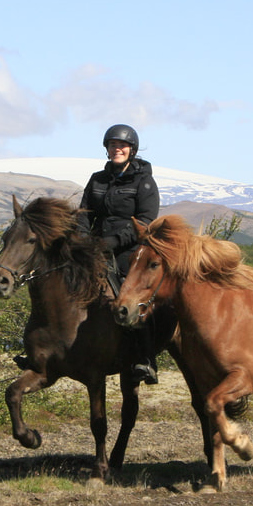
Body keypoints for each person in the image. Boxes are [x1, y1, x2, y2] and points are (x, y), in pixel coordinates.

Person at [81, 124, 161, 384]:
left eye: (122, 145)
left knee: (134, 297)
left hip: (130, 252)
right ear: (107, 149)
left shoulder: (144, 182)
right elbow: (84, 214)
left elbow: (146, 221)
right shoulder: (97, 179)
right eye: (113, 145)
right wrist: (83, 240)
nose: (117, 149)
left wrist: (114, 241)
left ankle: (146, 359)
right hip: (96, 247)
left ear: (132, 150)